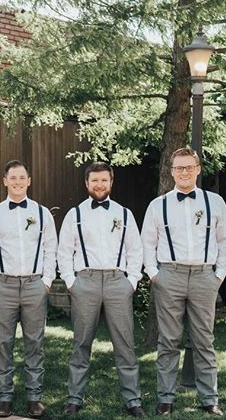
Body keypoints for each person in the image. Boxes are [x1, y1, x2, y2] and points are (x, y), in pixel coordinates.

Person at [142, 147, 226, 417]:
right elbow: (148, 243)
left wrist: (218, 276)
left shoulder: (215, 202)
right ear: (171, 172)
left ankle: (209, 399)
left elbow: (225, 241)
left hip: (205, 275)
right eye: (179, 168)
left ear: (197, 169)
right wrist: (154, 274)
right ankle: (166, 398)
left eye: (188, 167)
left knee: (204, 340)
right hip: (169, 275)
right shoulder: (158, 205)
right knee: (168, 340)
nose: (184, 172)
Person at [57, 162, 145, 417]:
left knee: (125, 344)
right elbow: (64, 251)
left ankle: (133, 400)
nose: (99, 185)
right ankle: (74, 398)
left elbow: (135, 250)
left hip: (118, 282)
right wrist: (72, 282)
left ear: (111, 182)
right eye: (94, 180)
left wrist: (131, 281)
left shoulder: (124, 214)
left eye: (104, 180)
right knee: (81, 343)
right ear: (87, 183)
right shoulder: (75, 214)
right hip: (86, 281)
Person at [0, 160, 57, 419]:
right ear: (5, 181)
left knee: (35, 343)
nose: (17, 182)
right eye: (12, 178)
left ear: (29, 180)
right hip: (4, 285)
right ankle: (4, 397)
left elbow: (50, 249)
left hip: (35, 284)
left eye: (21, 177)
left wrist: (46, 281)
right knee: (4, 344)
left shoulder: (43, 213)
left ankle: (34, 397)